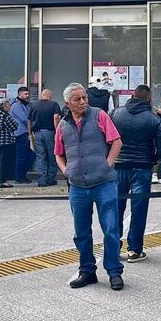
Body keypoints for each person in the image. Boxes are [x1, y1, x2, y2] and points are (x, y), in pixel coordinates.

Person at [55, 82, 124, 290]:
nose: (83, 102)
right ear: (68, 103)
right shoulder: (63, 125)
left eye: (85, 97)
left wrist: (107, 165)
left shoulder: (100, 115)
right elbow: (58, 153)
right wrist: (66, 170)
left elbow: (117, 142)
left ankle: (114, 271)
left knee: (111, 229)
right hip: (77, 187)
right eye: (78, 99)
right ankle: (87, 270)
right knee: (81, 232)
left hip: (104, 183)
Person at [111, 84, 161, 263]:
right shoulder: (153, 119)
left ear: (132, 96)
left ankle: (113, 247)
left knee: (115, 208)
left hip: (118, 166)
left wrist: (111, 158)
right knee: (139, 209)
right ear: (149, 99)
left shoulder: (115, 113)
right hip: (142, 167)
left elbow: (105, 137)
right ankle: (134, 250)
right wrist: (153, 160)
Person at [30, 89, 62, 186]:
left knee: (41, 156)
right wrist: (57, 132)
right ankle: (51, 178)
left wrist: (30, 133)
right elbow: (56, 117)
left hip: (38, 133)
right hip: (50, 132)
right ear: (50, 96)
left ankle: (42, 180)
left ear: (42, 95)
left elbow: (29, 121)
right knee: (52, 156)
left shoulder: (34, 105)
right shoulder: (54, 104)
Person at [10, 86, 34, 184]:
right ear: (19, 95)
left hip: (25, 132)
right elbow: (25, 119)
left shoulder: (26, 105)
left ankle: (23, 175)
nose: (27, 96)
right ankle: (19, 176)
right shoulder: (16, 105)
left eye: (28, 94)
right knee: (21, 155)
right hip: (20, 133)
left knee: (29, 155)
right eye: (25, 94)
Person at [0, 98, 17, 188]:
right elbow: (14, 126)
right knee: (4, 161)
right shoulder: (5, 115)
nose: (9, 107)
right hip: (5, 139)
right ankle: (3, 180)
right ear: (4, 106)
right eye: (8, 105)